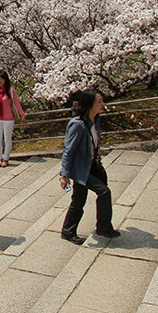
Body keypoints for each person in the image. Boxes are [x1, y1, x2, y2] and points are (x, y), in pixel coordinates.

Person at [59, 90, 120, 244]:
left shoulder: (95, 120)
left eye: (102, 101)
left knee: (79, 200)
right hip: (80, 169)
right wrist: (64, 174)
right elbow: (68, 150)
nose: (102, 104)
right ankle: (103, 227)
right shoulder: (78, 124)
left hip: (91, 164)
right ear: (89, 104)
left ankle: (68, 231)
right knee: (104, 192)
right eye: (99, 101)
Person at [0, 71, 25, 167]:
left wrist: (22, 115)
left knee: (7, 139)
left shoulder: (11, 91)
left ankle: (6, 158)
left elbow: (17, 103)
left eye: (1, 78)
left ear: (6, 80)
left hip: (8, 119)